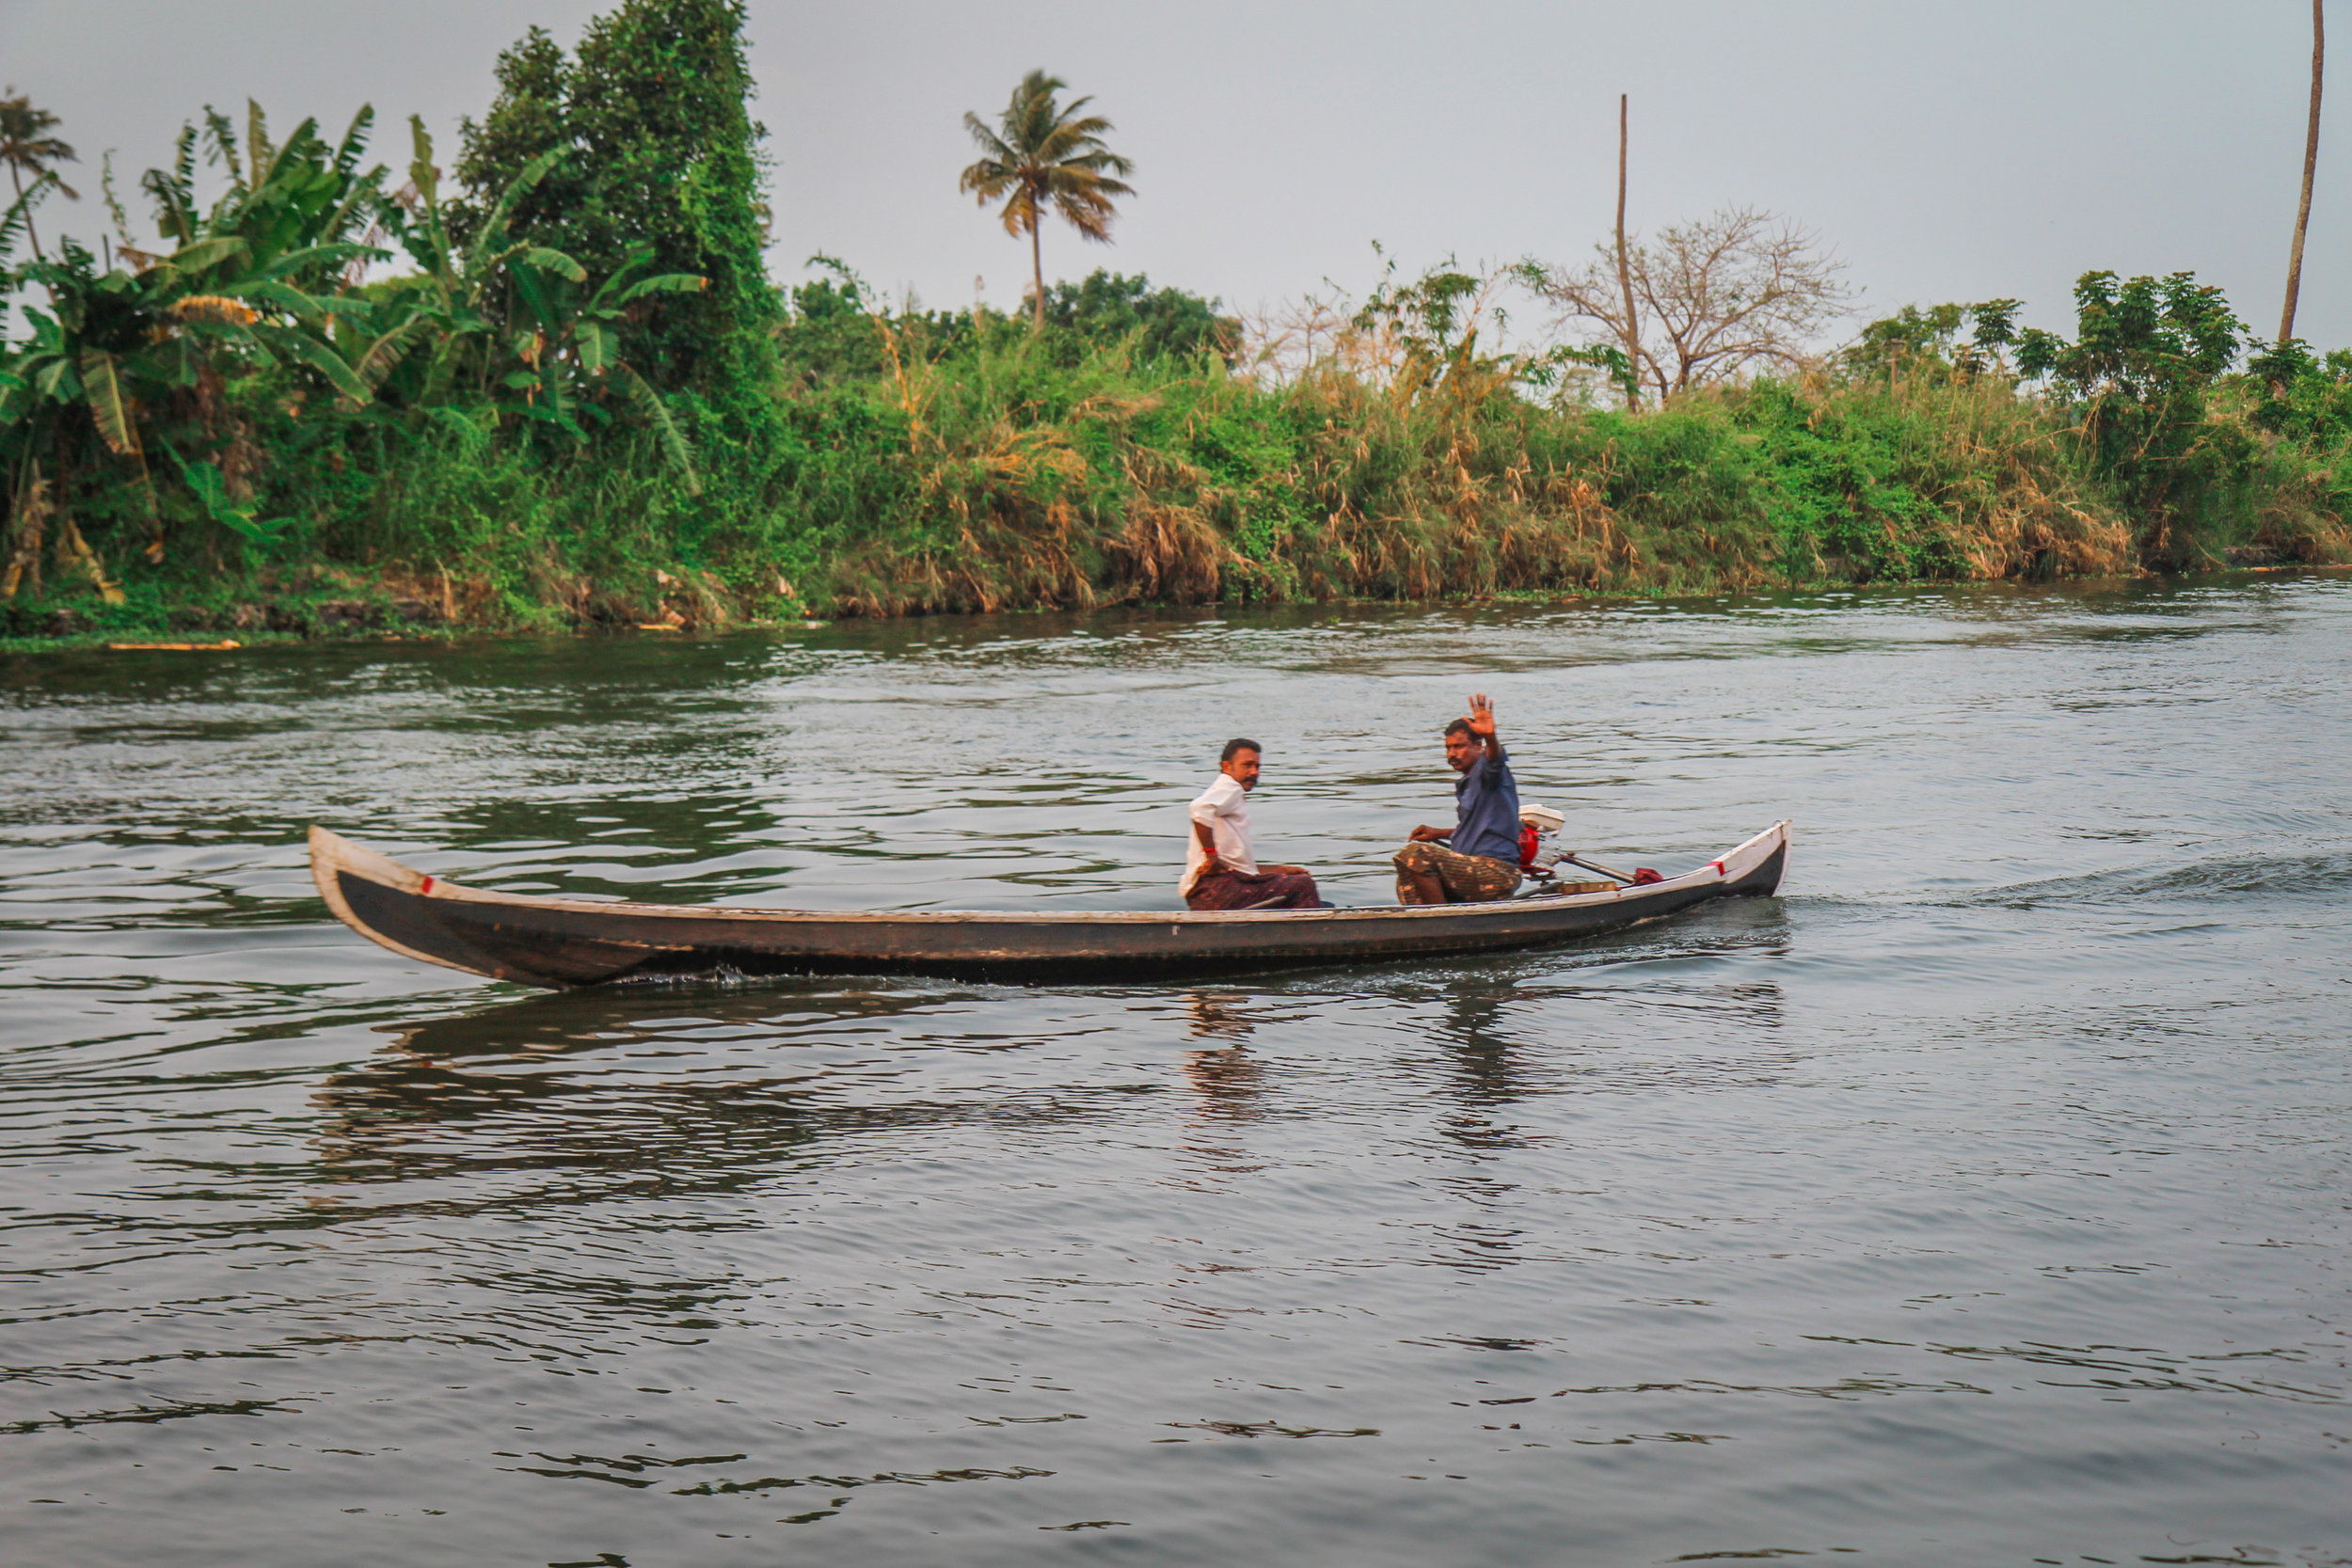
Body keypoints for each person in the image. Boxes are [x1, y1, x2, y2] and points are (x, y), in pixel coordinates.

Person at [1392, 692, 1524, 905]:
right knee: (1406, 874)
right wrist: (1440, 833)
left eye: (1459, 746)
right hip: (1470, 867)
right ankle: (1424, 927)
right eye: (1448, 748)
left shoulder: (1489, 772)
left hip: (1497, 872)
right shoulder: (1468, 783)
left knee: (1416, 854)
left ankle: (1440, 921)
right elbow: (1481, 829)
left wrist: (1490, 736)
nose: (1452, 754)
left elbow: (1495, 760)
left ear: (1477, 747)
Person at [1181, 738, 1324, 911]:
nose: (1254, 772)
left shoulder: (1226, 797)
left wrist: (1280, 870)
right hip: (1216, 889)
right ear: (1227, 767)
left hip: (1209, 894)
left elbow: (1241, 869)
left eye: (1257, 766)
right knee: (1303, 885)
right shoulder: (1230, 787)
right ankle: (1311, 932)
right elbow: (1199, 808)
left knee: (1292, 882)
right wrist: (1211, 855)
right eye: (1247, 765)